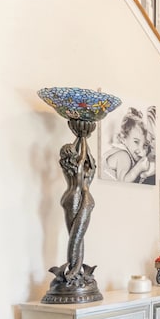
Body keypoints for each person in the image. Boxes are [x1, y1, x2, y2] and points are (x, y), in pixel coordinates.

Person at [59, 120, 96, 281]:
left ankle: (76, 269)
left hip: (71, 196)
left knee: (76, 235)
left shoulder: (68, 167)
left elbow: (88, 160)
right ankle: (73, 271)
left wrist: (80, 138)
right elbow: (87, 159)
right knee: (76, 236)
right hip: (79, 197)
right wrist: (83, 137)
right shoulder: (80, 167)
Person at [101, 107, 151, 183]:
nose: (140, 149)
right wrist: (138, 169)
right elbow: (122, 182)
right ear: (123, 139)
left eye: (144, 145)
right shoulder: (123, 156)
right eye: (136, 142)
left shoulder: (127, 154)